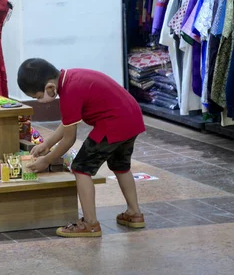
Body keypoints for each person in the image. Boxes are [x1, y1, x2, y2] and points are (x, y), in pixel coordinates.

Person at [17, 58, 146, 238]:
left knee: (81, 168)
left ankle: (90, 223)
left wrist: (46, 161)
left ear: (49, 88)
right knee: (120, 165)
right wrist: (47, 144)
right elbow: (68, 122)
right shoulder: (71, 78)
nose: (39, 102)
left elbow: (70, 139)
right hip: (131, 117)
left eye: (38, 97)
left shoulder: (70, 91)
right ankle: (134, 213)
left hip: (113, 123)